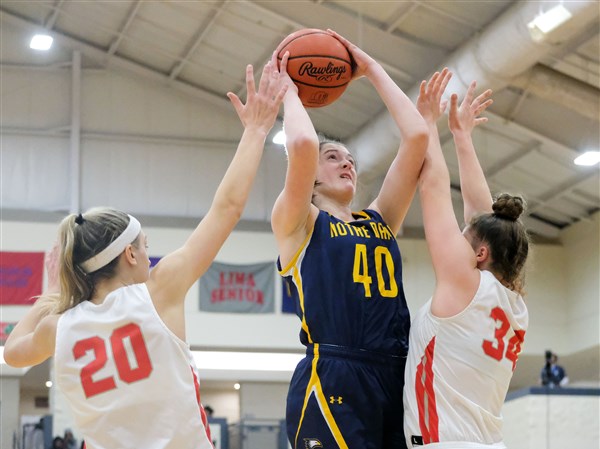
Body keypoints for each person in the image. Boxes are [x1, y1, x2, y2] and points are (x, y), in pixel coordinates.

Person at [3, 61, 287, 449]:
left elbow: (13, 353)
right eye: (146, 247)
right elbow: (228, 208)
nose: (150, 257)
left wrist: (52, 291)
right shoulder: (159, 290)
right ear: (130, 255)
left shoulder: (59, 327)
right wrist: (255, 131)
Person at [272, 30, 429, 449]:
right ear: (311, 175)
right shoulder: (298, 222)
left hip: (396, 372)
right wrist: (290, 90)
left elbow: (417, 137)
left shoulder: (379, 220)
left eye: (351, 160)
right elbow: (303, 143)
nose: (347, 164)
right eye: (333, 157)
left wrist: (371, 68)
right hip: (334, 374)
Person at [403, 69, 530, 448]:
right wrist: (462, 136)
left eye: (464, 237)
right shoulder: (514, 305)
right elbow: (482, 218)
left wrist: (426, 124)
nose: (457, 238)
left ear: (480, 253)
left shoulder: (464, 284)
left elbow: (434, 188)